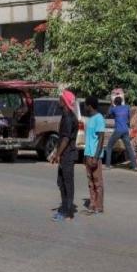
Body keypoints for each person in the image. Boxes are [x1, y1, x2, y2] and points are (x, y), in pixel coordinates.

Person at [49, 90, 78, 221]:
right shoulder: (67, 115)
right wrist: (56, 152)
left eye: (60, 98)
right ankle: (65, 209)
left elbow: (65, 139)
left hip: (67, 155)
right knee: (62, 182)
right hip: (65, 154)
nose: (58, 100)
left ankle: (67, 212)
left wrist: (57, 155)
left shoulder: (68, 117)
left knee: (67, 183)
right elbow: (62, 138)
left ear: (65, 101)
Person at [83, 96, 106, 215]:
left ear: (90, 106)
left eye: (85, 104)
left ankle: (99, 206)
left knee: (97, 182)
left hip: (94, 156)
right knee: (90, 182)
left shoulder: (99, 118)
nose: (84, 107)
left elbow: (101, 138)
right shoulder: (89, 119)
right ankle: (92, 204)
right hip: (87, 154)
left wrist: (96, 157)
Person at [105, 96, 137, 171]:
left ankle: (107, 165)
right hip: (125, 130)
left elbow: (108, 115)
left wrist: (111, 105)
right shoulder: (127, 107)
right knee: (129, 148)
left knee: (109, 146)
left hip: (118, 131)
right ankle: (134, 166)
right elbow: (129, 117)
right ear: (121, 102)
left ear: (115, 103)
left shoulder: (114, 109)